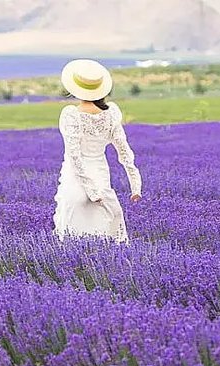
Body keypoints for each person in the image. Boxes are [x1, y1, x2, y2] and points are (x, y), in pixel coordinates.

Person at [53, 59, 142, 243]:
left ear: (75, 89)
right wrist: (135, 184)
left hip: (76, 178)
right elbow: (124, 151)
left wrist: (90, 191)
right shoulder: (111, 114)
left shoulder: (71, 115)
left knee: (72, 228)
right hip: (100, 175)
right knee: (106, 227)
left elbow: (74, 156)